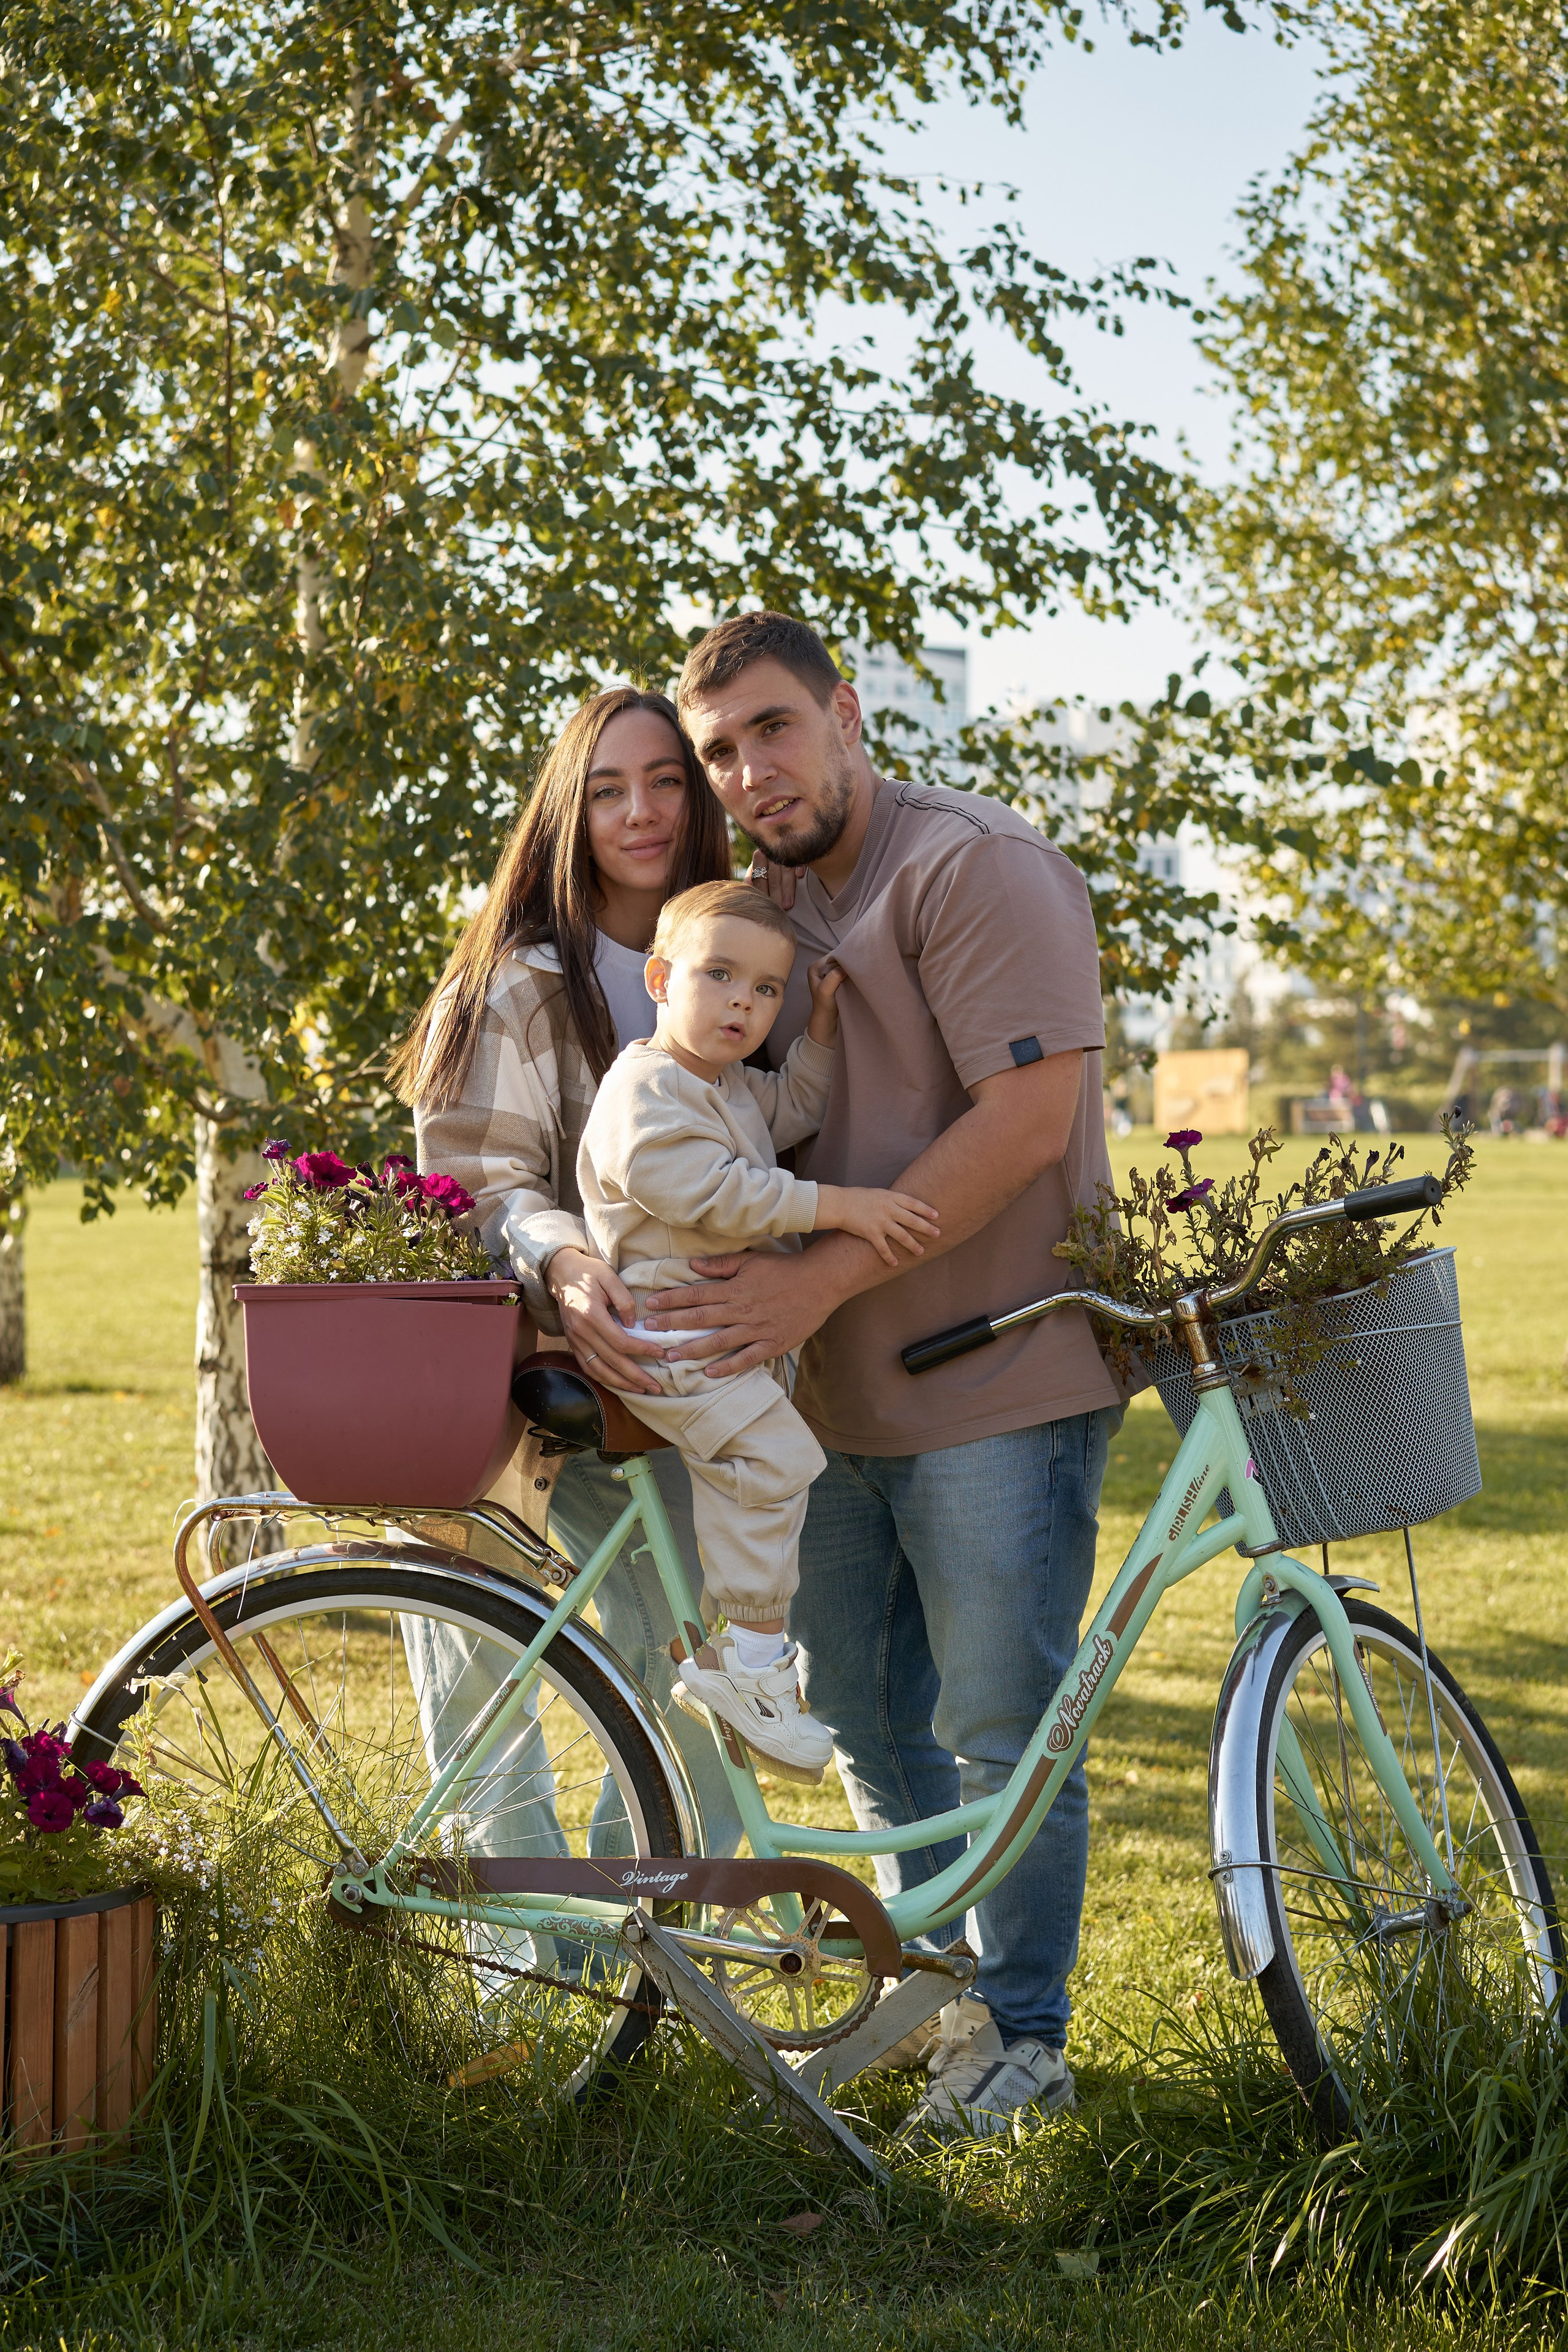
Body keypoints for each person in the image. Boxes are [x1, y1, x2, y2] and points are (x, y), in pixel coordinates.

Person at [643, 612, 1125, 2136]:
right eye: (719, 752)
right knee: (860, 1719)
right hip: (814, 1400)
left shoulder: (971, 867)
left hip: (996, 1377)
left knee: (999, 1720)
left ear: (844, 714)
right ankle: (945, 1998)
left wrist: (810, 1278)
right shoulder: (760, 912)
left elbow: (1027, 1119)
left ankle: (1027, 2037)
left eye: (770, 730)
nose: (746, 772)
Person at [388, 684, 743, 1860]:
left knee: (704, 1696)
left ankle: (628, 1960)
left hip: (679, 1393)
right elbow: (477, 1183)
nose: (640, 812)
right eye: (606, 791)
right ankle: (521, 2001)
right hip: (522, 1387)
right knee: (488, 1703)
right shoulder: (522, 977)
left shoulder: (742, 963)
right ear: (568, 813)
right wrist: (572, 1265)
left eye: (665, 781)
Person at [577, 879, 939, 1781]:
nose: (743, 1002)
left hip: (707, 1329)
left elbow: (793, 1110)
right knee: (771, 1458)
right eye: (721, 976)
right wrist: (840, 1209)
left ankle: (747, 1655)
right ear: (662, 978)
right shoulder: (646, 1089)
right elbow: (710, 1192)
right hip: (668, 1324)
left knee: (766, 1460)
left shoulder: (724, 1085)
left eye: (766, 989)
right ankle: (749, 1663)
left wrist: (815, 1030)